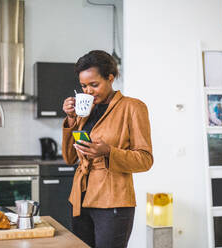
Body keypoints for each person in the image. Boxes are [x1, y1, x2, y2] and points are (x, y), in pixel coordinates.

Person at [62, 50, 153, 248]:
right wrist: (71, 119)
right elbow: (69, 158)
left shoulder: (133, 107)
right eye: (84, 86)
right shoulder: (84, 111)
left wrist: (108, 152)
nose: (88, 91)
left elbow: (145, 159)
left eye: (94, 84)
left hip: (113, 201)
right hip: (80, 197)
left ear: (110, 78)